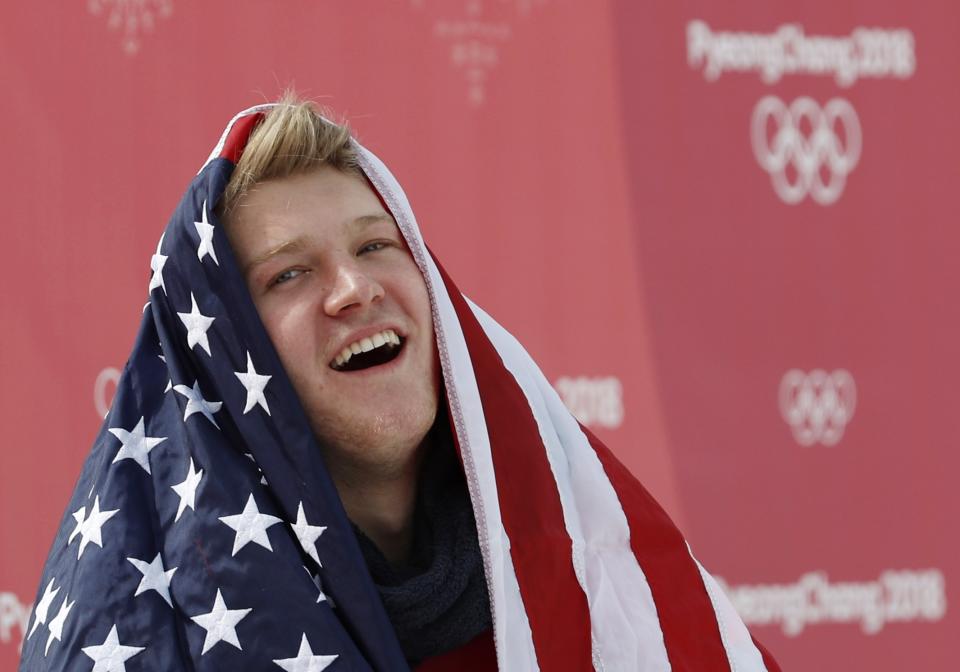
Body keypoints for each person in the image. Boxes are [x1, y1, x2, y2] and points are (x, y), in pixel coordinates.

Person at [20, 96, 780, 671]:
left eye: (376, 244)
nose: (353, 288)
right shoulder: (135, 629)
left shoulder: (590, 572)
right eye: (288, 273)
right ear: (222, 353)